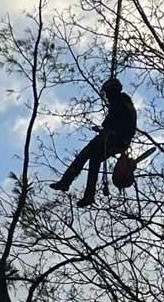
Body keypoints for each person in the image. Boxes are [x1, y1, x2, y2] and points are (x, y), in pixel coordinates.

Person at [50, 77, 137, 207]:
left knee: (85, 154)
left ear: (112, 92)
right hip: (119, 140)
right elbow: (115, 121)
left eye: (108, 93)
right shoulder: (124, 102)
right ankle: (87, 195)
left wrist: (107, 129)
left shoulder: (119, 102)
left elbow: (112, 120)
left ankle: (66, 182)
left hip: (115, 139)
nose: (107, 97)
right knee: (94, 159)